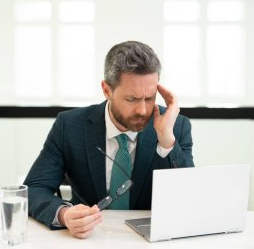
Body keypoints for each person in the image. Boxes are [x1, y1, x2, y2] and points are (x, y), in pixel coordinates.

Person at [24, 41, 194, 239]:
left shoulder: (176, 126)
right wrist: (63, 214)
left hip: (152, 239)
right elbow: (33, 189)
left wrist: (166, 141)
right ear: (107, 90)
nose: (143, 110)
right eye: (132, 99)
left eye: (150, 98)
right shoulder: (69, 125)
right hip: (88, 238)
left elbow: (188, 200)